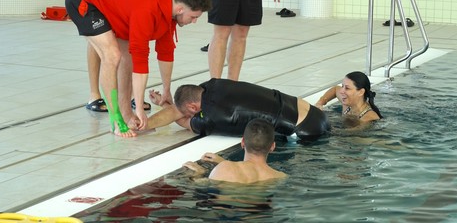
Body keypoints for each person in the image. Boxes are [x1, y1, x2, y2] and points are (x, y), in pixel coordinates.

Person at [65, 0, 211, 137]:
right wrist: (140, 108)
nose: (194, 21)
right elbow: (141, 61)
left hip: (113, 8)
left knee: (127, 58)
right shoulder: (147, 10)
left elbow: (166, 53)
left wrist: (166, 90)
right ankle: (115, 120)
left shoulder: (169, 9)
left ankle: (126, 114)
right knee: (112, 55)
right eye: (193, 17)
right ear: (180, 9)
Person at [144, 78, 330, 140]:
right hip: (313, 112)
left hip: (305, 130)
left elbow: (181, 118)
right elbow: (180, 110)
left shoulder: (209, 119)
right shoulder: (213, 84)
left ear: (192, 106)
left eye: (190, 111)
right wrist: (168, 104)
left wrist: (165, 105)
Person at [183, 118, 287, 183]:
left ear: (242, 142)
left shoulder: (224, 169)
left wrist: (199, 173)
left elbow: (202, 186)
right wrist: (224, 162)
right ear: (272, 146)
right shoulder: (281, 177)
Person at [315, 71, 383, 125]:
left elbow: (351, 134)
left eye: (347, 88)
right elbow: (335, 89)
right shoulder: (348, 103)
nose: (341, 91)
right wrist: (320, 102)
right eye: (342, 86)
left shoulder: (368, 118)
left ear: (361, 92)